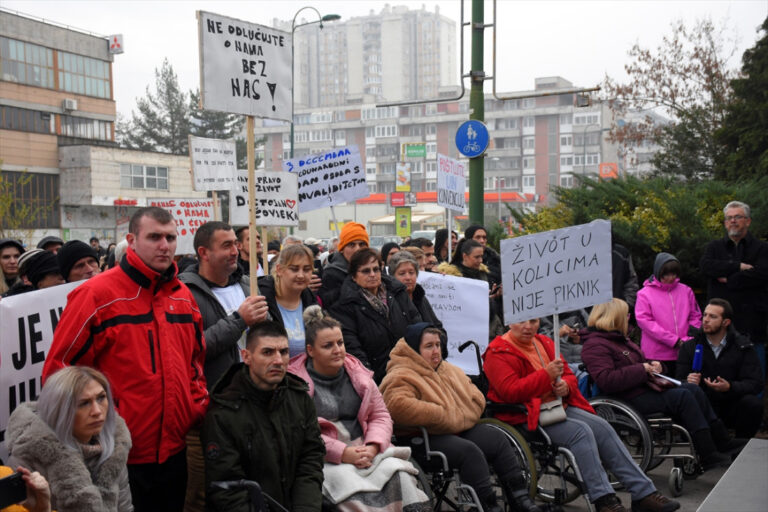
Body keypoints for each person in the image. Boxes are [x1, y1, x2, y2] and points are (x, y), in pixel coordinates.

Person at [42, 207, 208, 512]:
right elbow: (59, 373)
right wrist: (92, 435)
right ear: (131, 240)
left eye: (170, 237)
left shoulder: (183, 296)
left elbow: (195, 363)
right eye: (154, 237)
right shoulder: (95, 295)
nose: (164, 245)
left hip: (174, 450)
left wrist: (193, 407)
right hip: (115, 457)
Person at [483, 315, 680, 512]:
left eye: (533, 321)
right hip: (524, 414)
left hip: (554, 406)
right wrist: (546, 376)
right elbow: (510, 391)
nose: (528, 326)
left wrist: (566, 386)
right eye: (522, 321)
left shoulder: (544, 342)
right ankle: (604, 499)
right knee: (581, 432)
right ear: (509, 322)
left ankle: (643, 493)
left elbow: (568, 374)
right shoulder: (498, 351)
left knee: (602, 427)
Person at [381, 323, 542, 512]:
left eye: (438, 345)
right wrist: (441, 414)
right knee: (469, 452)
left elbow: (477, 398)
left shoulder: (448, 369)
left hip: (457, 429)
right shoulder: (401, 373)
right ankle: (488, 507)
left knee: (497, 439)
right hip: (424, 439)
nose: (436, 351)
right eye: (428, 346)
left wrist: (456, 417)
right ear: (414, 349)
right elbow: (396, 405)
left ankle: (521, 500)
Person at [288, 306, 430, 510]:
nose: (337, 350)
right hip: (325, 457)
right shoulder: (296, 384)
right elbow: (301, 431)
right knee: (348, 489)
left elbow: (380, 415)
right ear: (310, 350)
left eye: (340, 343)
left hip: (367, 449)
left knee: (400, 476)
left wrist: (373, 446)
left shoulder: (359, 374)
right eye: (328, 346)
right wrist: (343, 453)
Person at [581, 298, 738, 470]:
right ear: (614, 317)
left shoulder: (619, 340)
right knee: (683, 397)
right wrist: (642, 369)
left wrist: (656, 366)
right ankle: (707, 453)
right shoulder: (595, 345)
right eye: (625, 315)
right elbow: (606, 379)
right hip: (625, 398)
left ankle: (722, 441)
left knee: (693, 389)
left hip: (639, 389)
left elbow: (638, 364)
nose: (628, 318)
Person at [179, 221, 270, 510]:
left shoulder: (248, 285)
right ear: (204, 252)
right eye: (227, 245)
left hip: (252, 406)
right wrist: (238, 320)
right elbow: (190, 350)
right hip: (209, 413)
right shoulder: (184, 294)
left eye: (236, 243)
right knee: (204, 494)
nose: (236, 250)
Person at [203, 322, 325, 511]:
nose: (278, 360)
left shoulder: (300, 398)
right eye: (267, 352)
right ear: (246, 356)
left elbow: (311, 461)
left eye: (284, 352)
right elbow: (227, 488)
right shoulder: (223, 412)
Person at [6, 366, 132, 511]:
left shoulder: (115, 446)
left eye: (101, 398)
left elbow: (125, 508)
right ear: (60, 411)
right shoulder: (27, 459)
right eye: (84, 403)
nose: (97, 411)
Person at [676, 299, 764, 438]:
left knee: (753, 404)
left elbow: (755, 383)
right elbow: (677, 380)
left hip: (731, 402)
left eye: (713, 316)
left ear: (726, 322)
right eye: (705, 315)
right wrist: (688, 381)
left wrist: (730, 387)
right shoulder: (690, 346)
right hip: (703, 403)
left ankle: (741, 448)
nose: (705, 320)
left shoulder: (742, 347)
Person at [331, 248, 422, 383]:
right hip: (376, 378)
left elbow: (417, 327)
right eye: (366, 271)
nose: (372, 274)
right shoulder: (345, 306)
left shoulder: (397, 292)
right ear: (354, 276)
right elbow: (354, 349)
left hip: (411, 369)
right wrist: (370, 379)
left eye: (376, 269)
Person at [700, 201, 768, 367]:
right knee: (721, 374)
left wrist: (729, 279)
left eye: (738, 217)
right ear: (725, 223)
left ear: (748, 221)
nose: (733, 221)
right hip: (721, 321)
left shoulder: (762, 248)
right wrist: (738, 267)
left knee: (754, 373)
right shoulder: (714, 247)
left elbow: (762, 273)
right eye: (729, 218)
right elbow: (706, 267)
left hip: (751, 320)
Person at [635, 253, 701, 376]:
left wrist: (690, 340)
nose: (671, 277)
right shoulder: (644, 294)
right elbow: (646, 323)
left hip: (684, 351)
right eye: (666, 274)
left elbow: (695, 316)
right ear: (658, 272)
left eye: (674, 274)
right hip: (657, 354)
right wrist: (674, 340)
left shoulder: (686, 290)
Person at [258, 244, 319, 357]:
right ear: (279, 270)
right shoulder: (262, 301)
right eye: (294, 269)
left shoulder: (311, 301)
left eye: (306, 269)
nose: (301, 275)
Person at [437, 239, 504, 339]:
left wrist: (494, 296)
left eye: (481, 256)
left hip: (489, 328)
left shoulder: (483, 274)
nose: (480, 260)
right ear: (465, 256)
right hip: (465, 331)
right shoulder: (452, 277)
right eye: (476, 257)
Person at [388, 251, 446, 354]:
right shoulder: (390, 302)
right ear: (392, 277)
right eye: (402, 273)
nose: (408, 277)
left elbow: (438, 328)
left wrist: (436, 346)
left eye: (411, 272)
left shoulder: (421, 297)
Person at [319, 222, 370, 308]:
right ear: (342, 249)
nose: (357, 249)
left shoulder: (374, 270)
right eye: (352, 245)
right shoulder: (331, 274)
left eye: (362, 244)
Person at [464, 225, 502, 290]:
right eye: (478, 237)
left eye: (484, 237)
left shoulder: (496, 261)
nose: (482, 241)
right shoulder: (456, 265)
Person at [612, 242, 640, 311]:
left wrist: (624, 307)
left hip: (616, 314)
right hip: (584, 317)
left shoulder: (621, 253)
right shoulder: (582, 253)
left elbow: (631, 284)